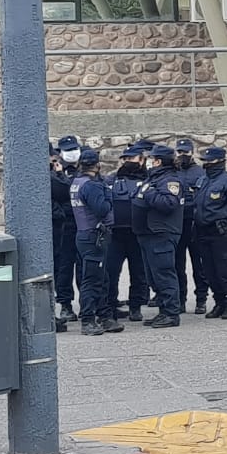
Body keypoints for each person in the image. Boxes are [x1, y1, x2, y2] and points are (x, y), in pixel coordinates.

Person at [71, 148, 122, 336]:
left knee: (101, 278)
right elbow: (102, 209)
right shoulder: (92, 186)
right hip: (94, 235)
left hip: (85, 234)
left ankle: (104, 315)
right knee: (92, 280)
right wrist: (108, 193)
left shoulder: (77, 182)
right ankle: (88, 319)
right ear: (97, 165)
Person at [133, 145, 185, 329]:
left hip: (161, 234)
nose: (148, 161)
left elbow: (168, 203)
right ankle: (163, 311)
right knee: (153, 277)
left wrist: (148, 192)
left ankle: (171, 313)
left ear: (158, 161)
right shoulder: (154, 178)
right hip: (147, 234)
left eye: (151, 158)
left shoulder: (170, 180)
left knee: (164, 274)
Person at [193, 147, 227, 319]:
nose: (206, 164)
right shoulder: (202, 181)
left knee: (225, 271)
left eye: (210, 162)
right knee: (209, 271)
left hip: (221, 233)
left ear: (220, 161)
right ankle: (219, 303)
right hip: (203, 233)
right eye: (205, 161)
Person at [106, 146, 150, 323]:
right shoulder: (111, 179)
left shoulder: (148, 179)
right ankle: (110, 305)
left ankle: (136, 307)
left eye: (132, 159)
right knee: (111, 272)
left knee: (139, 272)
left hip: (138, 233)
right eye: (125, 159)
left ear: (141, 160)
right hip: (115, 233)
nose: (128, 162)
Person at [174, 139, 209, 314]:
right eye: (179, 152)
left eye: (185, 152)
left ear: (192, 153)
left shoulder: (200, 172)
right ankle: (180, 300)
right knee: (178, 265)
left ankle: (201, 299)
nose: (182, 156)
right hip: (178, 223)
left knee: (199, 265)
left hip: (195, 223)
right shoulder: (173, 172)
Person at [52, 135, 82, 321]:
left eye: (73, 149)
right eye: (67, 150)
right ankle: (65, 304)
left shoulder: (85, 167)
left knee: (84, 267)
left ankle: (87, 303)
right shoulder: (56, 172)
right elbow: (64, 191)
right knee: (64, 268)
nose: (71, 153)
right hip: (66, 225)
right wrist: (61, 174)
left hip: (82, 223)